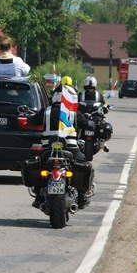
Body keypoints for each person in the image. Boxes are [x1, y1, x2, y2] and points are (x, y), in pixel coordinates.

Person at [32, 76, 94, 210]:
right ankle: (82, 196)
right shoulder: (72, 113)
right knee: (83, 164)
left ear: (54, 96)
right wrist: (91, 123)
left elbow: (31, 122)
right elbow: (88, 124)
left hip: (48, 149)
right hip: (70, 150)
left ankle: (38, 196)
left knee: (37, 166)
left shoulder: (46, 112)